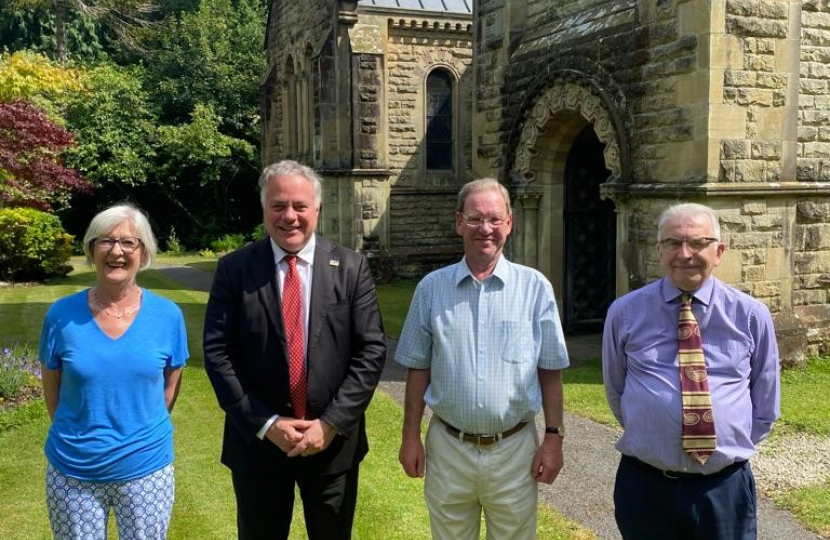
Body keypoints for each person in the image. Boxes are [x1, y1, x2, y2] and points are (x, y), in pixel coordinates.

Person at [203, 160, 387, 540]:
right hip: (258, 446)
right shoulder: (235, 270)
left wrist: (331, 423)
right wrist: (266, 424)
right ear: (264, 209)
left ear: (317, 209)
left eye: (300, 206)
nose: (290, 216)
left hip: (332, 445)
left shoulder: (350, 268)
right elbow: (219, 353)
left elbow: (370, 351)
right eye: (278, 206)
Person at [395, 178, 569, 540]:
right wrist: (410, 437)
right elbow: (418, 368)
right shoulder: (431, 289)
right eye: (474, 219)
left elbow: (550, 369)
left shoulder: (535, 288)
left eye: (494, 218)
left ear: (509, 222)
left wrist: (553, 438)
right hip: (449, 448)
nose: (485, 229)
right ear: (459, 222)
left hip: (514, 450)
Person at [602, 202, 780, 540]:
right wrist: (656, 427)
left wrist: (723, 449)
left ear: (719, 251)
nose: (685, 254)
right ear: (659, 250)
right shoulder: (625, 312)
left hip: (724, 487)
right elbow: (616, 389)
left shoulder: (751, 315)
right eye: (673, 243)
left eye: (697, 243)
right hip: (646, 485)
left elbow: (765, 402)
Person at [39, 203, 188, 540]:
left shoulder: (168, 316)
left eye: (128, 243)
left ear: (144, 252)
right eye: (105, 241)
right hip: (72, 471)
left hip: (146, 468)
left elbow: (169, 388)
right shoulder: (61, 316)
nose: (116, 251)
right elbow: (53, 388)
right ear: (92, 250)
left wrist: (136, 433)